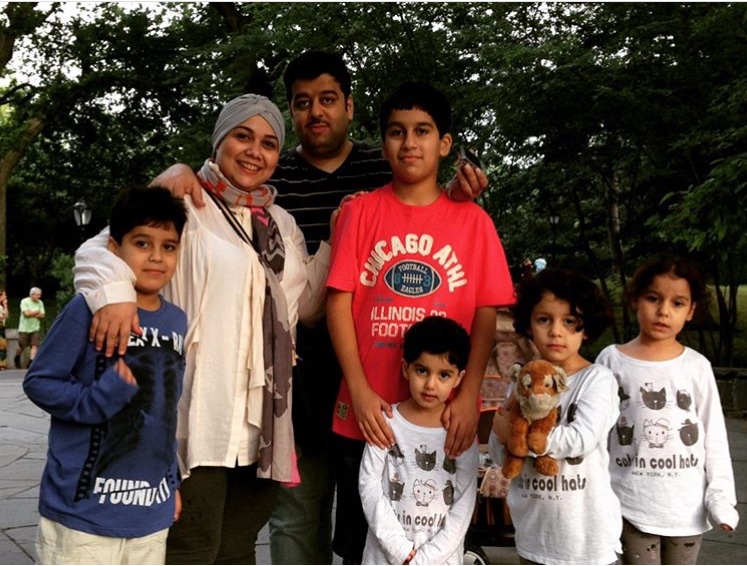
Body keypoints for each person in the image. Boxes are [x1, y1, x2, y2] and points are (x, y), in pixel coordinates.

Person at [149, 51, 489, 565]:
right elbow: (195, 202)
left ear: (349, 106)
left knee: (374, 514)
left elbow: (425, 206)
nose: (316, 112)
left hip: (387, 377)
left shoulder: (381, 163)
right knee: (295, 514)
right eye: (302, 102)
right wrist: (178, 171)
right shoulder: (267, 177)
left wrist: (457, 195)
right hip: (295, 379)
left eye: (328, 99)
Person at [74, 94, 331, 564]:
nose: (255, 151)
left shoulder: (282, 223)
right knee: (191, 549)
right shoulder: (185, 202)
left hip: (263, 424)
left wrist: (338, 236)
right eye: (242, 136)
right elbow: (99, 249)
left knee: (237, 550)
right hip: (198, 417)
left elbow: (306, 309)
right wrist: (113, 296)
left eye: (269, 143)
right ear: (219, 140)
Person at [327, 81, 515, 563]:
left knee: (439, 537)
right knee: (360, 545)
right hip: (371, 418)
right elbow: (338, 303)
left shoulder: (474, 222)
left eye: (423, 131)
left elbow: (486, 312)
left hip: (443, 419)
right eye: (397, 131)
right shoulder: (360, 212)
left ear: (444, 143)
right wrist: (360, 389)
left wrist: (469, 394)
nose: (409, 143)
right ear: (383, 143)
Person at [23, 186, 188, 565]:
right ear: (114, 249)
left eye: (169, 247)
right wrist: (98, 399)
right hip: (84, 513)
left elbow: (165, 413)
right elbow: (40, 381)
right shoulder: (88, 308)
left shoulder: (177, 320)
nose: (157, 257)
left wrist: (171, 483)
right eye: (142, 243)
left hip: (150, 511)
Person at [596, 254, 739, 565]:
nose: (663, 311)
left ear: (691, 310)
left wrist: (721, 498)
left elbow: (714, 437)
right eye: (653, 298)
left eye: (677, 303)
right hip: (628, 503)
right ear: (634, 300)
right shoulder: (611, 361)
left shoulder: (697, 366)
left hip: (686, 507)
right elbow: (595, 434)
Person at [489, 267, 622, 564]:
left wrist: (521, 436)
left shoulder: (597, 379)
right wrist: (503, 435)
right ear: (528, 324)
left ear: (586, 327)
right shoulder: (522, 381)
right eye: (544, 319)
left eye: (569, 321)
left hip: (587, 543)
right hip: (533, 538)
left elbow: (582, 438)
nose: (556, 331)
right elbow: (500, 455)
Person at [358, 316, 478, 565]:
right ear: (406, 368)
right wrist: (399, 548)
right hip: (385, 558)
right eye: (422, 371)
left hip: (441, 560)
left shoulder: (461, 432)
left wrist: (425, 559)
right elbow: (369, 486)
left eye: (444, 375)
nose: (430, 384)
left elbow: (464, 504)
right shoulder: (386, 422)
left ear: (458, 378)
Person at [16, 286, 45, 369]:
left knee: (34, 345)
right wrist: (36, 312)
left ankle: (31, 362)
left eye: (40, 295)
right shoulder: (24, 301)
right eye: (37, 295)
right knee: (22, 346)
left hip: (35, 327)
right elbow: (26, 314)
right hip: (24, 328)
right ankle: (17, 357)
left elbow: (42, 315)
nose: (39, 297)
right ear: (32, 295)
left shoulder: (40, 303)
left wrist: (32, 313)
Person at [0, 291, 8, 370]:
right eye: (4, 295)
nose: (5, 297)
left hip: (2, 327)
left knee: (3, 346)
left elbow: (6, 315)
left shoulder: (1, 306)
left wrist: (5, 305)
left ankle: (2, 364)